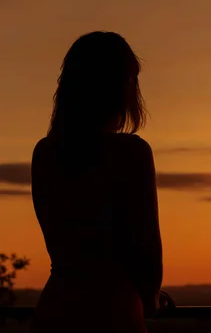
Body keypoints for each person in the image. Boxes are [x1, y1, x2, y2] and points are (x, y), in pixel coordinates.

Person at [29, 31, 164, 333]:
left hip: (55, 311)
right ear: (122, 87)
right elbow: (147, 252)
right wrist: (152, 299)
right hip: (113, 312)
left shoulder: (45, 153)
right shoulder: (131, 153)